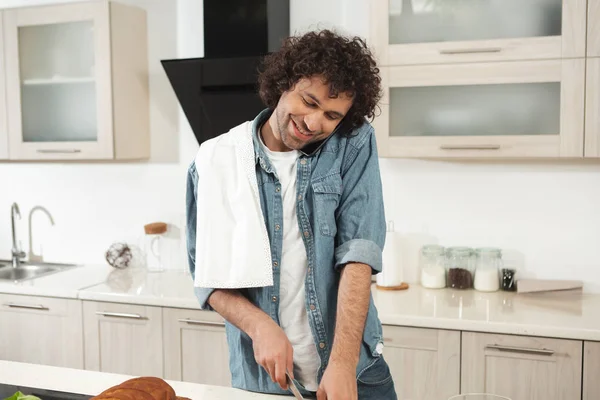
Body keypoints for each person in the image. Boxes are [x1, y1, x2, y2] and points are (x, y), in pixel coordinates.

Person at [186, 29, 396, 400]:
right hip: (267, 380)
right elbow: (207, 278)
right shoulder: (216, 160)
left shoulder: (353, 143)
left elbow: (358, 256)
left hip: (354, 371)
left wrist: (343, 365)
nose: (314, 123)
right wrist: (259, 324)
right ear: (284, 83)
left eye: (331, 115)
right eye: (308, 101)